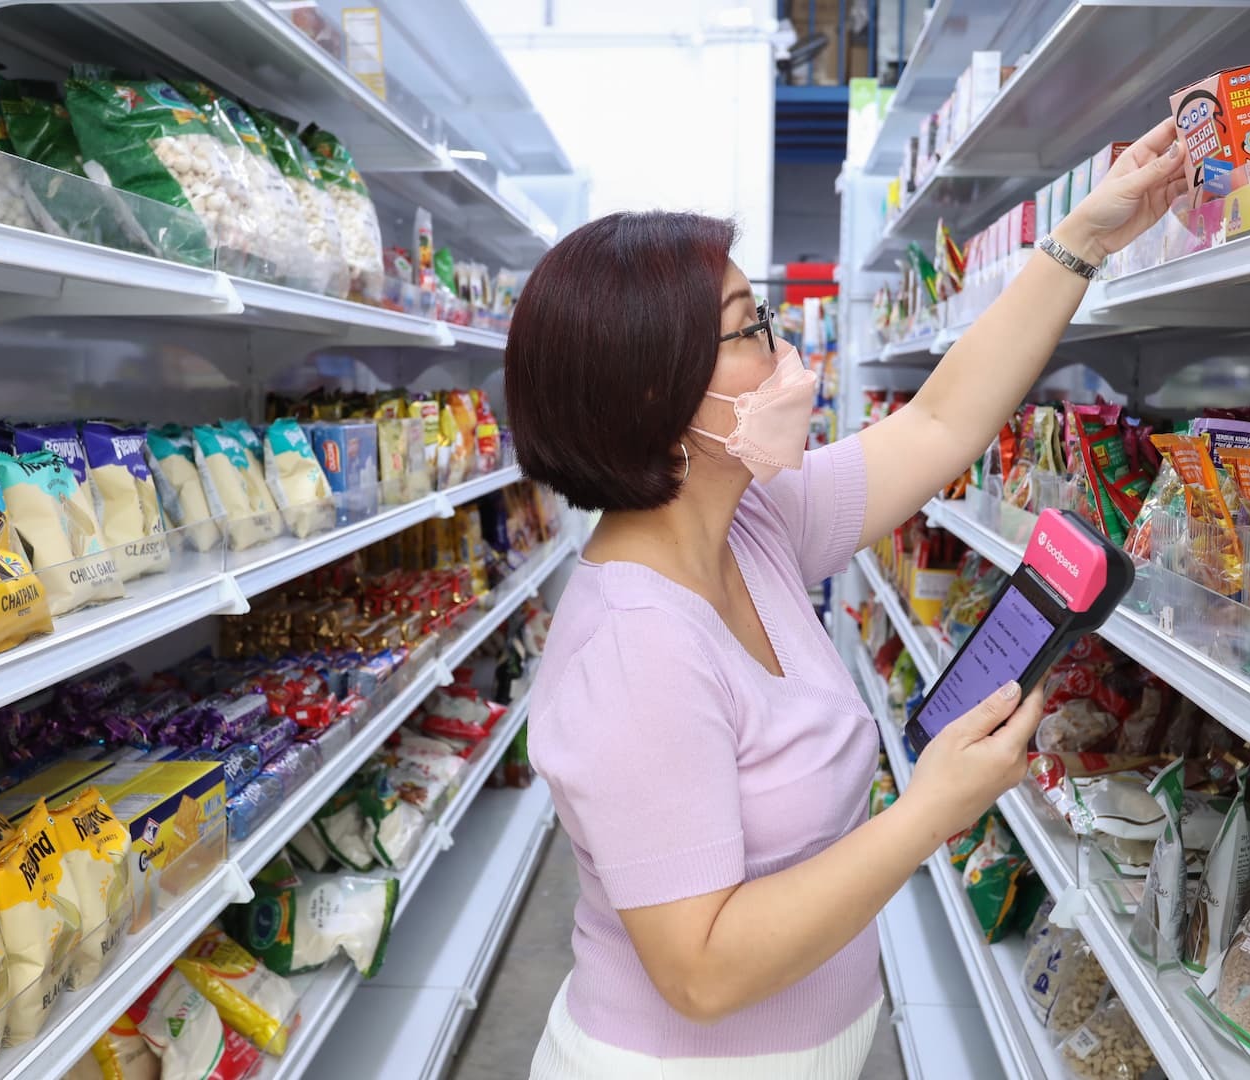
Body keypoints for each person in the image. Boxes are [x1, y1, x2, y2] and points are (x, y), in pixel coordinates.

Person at [504, 118, 1188, 1079]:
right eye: (751, 331)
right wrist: (927, 811)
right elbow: (698, 971)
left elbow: (944, 420)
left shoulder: (754, 526)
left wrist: (1085, 238)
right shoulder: (635, 652)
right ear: (654, 398)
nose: (787, 357)